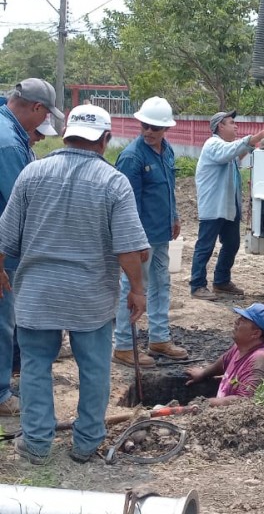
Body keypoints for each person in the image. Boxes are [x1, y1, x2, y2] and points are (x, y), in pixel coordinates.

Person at [0, 104, 149, 465]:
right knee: (94, 367)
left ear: (66, 134)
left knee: (36, 364)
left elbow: (4, 238)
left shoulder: (32, 173)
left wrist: (1, 271)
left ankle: (36, 443)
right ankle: (85, 444)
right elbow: (130, 249)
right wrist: (137, 289)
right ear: (105, 139)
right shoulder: (112, 182)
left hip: (37, 292)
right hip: (90, 295)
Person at [0, 79, 63, 418]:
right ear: (37, 108)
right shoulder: (8, 144)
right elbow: (22, 204)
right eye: (44, 117)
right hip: (4, 249)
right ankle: (0, 395)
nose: (42, 126)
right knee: (2, 320)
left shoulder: (7, 131)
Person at [112, 97, 188, 367]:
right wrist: (134, 241)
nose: (148, 132)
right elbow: (125, 203)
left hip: (161, 233)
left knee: (161, 284)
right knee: (132, 288)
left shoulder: (166, 151)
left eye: (154, 128)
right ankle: (122, 345)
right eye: (145, 126)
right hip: (141, 238)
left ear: (165, 129)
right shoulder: (132, 157)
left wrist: (175, 216)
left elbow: (168, 187)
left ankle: (159, 337)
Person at [189, 111, 264, 301]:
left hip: (227, 207)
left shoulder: (225, 147)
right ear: (220, 127)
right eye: (231, 123)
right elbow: (229, 153)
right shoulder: (213, 145)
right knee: (205, 246)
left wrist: (255, 144)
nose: (236, 126)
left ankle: (221, 281)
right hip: (213, 206)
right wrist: (252, 138)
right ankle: (197, 284)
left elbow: (236, 153)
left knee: (232, 243)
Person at [185, 302, 264, 406]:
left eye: (243, 320)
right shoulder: (242, 347)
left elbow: (244, 401)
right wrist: (204, 373)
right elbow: (224, 361)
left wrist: (206, 403)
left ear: (256, 333)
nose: (236, 321)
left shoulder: (260, 361)